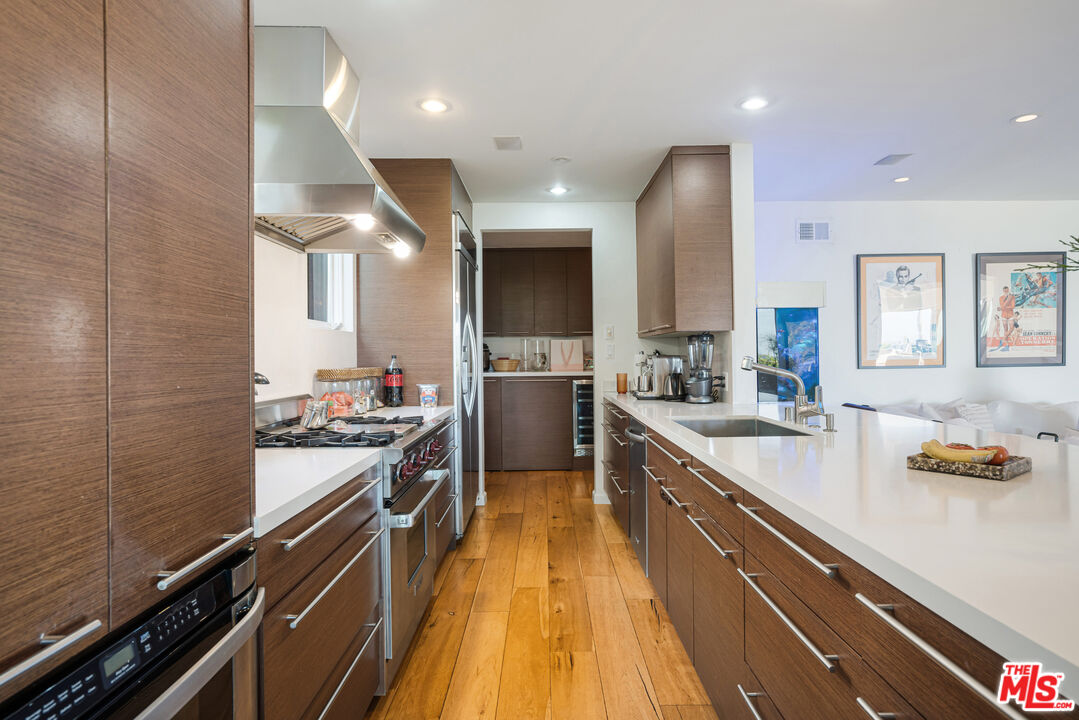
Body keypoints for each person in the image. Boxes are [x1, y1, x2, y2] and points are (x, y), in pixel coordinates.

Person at [997, 285, 1015, 350]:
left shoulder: (1012, 297)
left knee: (1012, 328)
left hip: (1010, 314)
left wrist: (1003, 307)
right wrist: (1004, 307)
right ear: (1003, 291)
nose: (1006, 291)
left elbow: (1012, 306)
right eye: (1005, 291)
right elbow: (1002, 306)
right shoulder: (1001, 298)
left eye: (1007, 290)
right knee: (1005, 329)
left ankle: (1003, 339)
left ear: (1008, 290)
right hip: (1004, 315)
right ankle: (1007, 345)